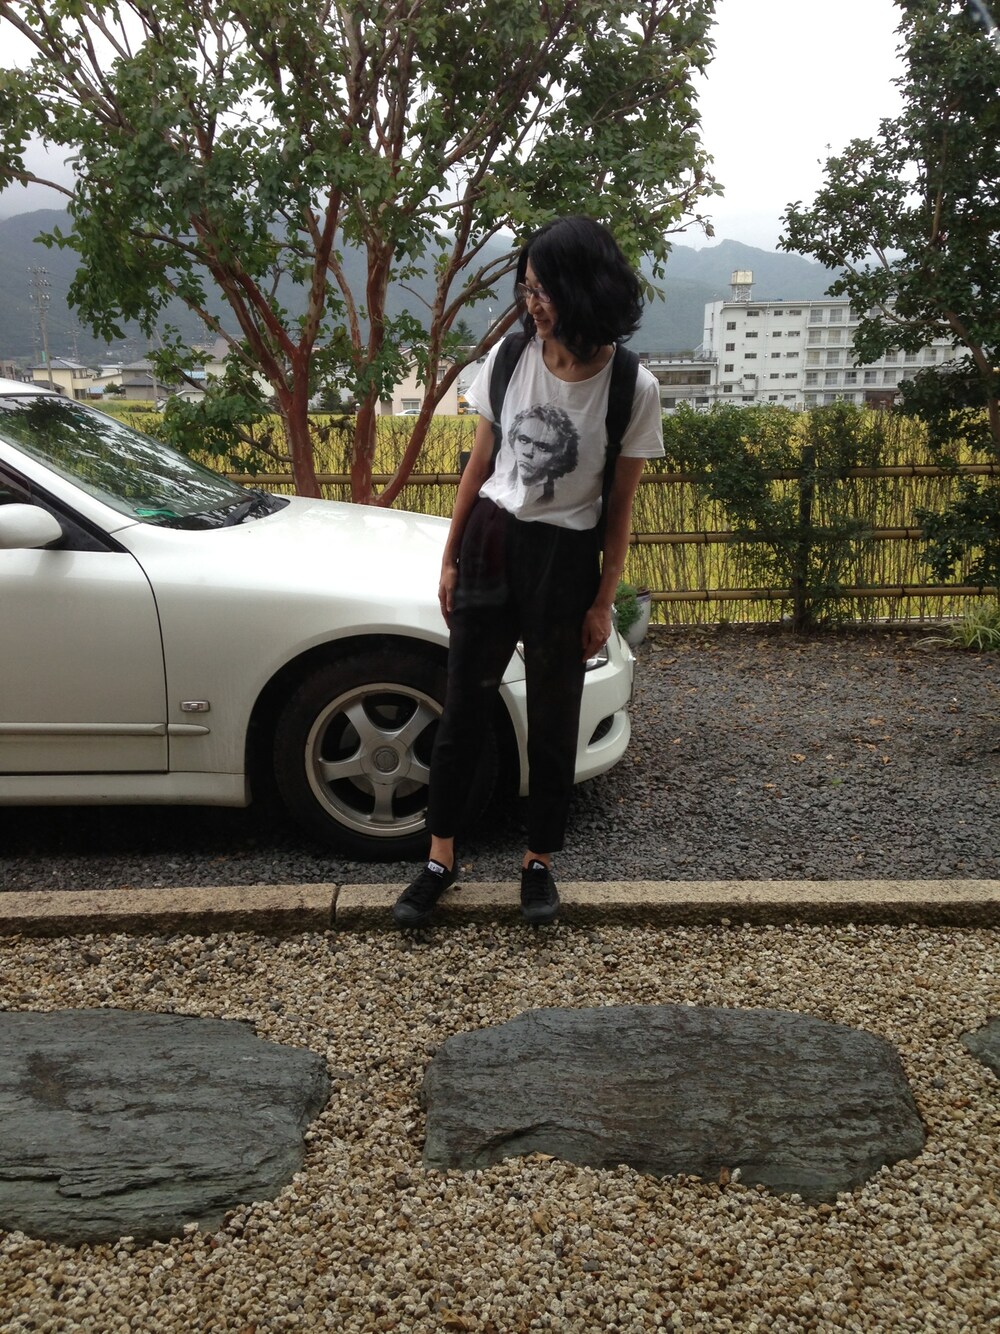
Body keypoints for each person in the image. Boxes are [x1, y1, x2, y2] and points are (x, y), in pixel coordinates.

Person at [392, 215, 665, 929]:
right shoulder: (510, 358)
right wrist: (450, 557)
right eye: (527, 287)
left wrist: (603, 601)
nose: (530, 301)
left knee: (552, 716)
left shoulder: (631, 387)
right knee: (464, 709)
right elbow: (478, 466)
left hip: (564, 560)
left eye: (543, 289)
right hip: (492, 540)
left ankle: (538, 861)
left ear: (583, 289)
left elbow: (619, 508)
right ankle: (439, 858)